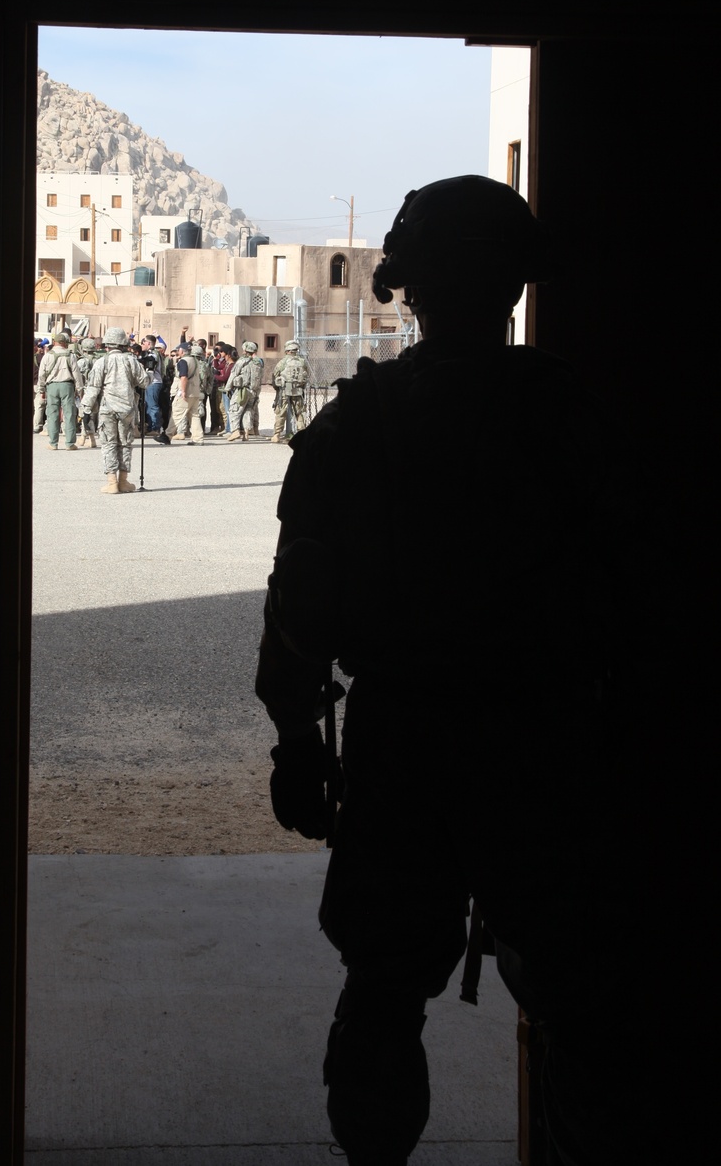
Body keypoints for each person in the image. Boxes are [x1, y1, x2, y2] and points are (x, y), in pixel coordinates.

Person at [255, 176, 645, 1166]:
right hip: (546, 747)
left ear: (407, 288)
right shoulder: (575, 418)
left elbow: (301, 602)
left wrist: (296, 739)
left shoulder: (362, 424)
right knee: (582, 1014)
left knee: (383, 994)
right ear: (513, 289)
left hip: (405, 749)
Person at [81, 327, 153, 494]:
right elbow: (144, 383)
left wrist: (85, 409)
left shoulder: (102, 362)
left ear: (107, 345)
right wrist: (149, 371)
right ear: (123, 345)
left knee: (108, 444)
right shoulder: (131, 361)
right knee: (125, 444)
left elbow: (93, 388)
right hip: (127, 409)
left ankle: (111, 482)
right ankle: (123, 481)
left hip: (108, 408)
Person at [37, 330, 84, 451]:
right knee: (69, 414)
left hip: (51, 386)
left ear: (55, 342)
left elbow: (41, 374)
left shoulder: (48, 355)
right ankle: (70, 443)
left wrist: (41, 390)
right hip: (67, 386)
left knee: (52, 414)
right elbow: (76, 374)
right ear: (64, 343)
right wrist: (80, 390)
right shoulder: (71, 355)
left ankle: (53, 443)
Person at [270, 338, 312, 443]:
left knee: (281, 412)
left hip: (285, 390)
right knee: (299, 412)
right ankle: (302, 433)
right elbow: (307, 374)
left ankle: (277, 434)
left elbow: (275, 374)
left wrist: (276, 388)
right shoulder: (302, 362)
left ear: (287, 350)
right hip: (298, 390)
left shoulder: (283, 362)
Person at [223, 340, 262, 441]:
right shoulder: (258, 362)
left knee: (234, 410)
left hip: (242, 390)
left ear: (245, 350)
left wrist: (227, 388)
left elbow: (233, 374)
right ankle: (246, 433)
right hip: (253, 391)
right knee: (248, 410)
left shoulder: (242, 361)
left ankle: (235, 431)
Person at [171, 341, 205, 445]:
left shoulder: (183, 361)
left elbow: (184, 377)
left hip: (186, 392)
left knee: (176, 413)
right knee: (194, 415)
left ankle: (167, 435)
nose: (177, 352)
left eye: (178, 350)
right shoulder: (195, 361)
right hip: (195, 392)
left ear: (182, 351)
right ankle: (198, 438)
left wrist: (183, 391)